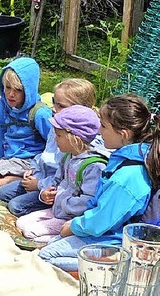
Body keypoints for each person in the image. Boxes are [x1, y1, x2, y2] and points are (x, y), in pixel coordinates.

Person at [39, 94, 160, 271]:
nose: (99, 131)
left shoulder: (128, 177)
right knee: (53, 242)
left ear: (123, 134)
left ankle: (113, 270)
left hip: (113, 241)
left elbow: (101, 221)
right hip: (107, 234)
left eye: (103, 126)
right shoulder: (133, 157)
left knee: (45, 257)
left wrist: (74, 226)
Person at [0, 78, 99, 216]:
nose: (53, 109)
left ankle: (52, 209)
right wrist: (34, 168)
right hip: (42, 177)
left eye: (61, 106)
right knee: (3, 192)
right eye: (54, 102)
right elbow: (46, 152)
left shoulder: (77, 141)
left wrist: (38, 185)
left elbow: (64, 177)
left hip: (54, 186)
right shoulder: (57, 123)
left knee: (15, 205)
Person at [15, 106, 108, 243]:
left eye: (59, 135)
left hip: (70, 218)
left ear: (75, 139)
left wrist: (62, 200)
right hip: (57, 211)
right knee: (21, 223)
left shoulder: (94, 166)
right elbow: (57, 181)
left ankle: (62, 238)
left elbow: (87, 201)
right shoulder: (68, 157)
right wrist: (45, 194)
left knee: (29, 232)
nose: (55, 140)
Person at [0, 57, 52, 190]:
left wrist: (43, 167)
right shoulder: (4, 104)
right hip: (10, 158)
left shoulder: (40, 113)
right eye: (7, 88)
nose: (11, 94)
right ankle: (9, 176)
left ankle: (26, 180)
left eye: (18, 90)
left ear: (28, 90)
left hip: (29, 160)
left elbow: (54, 142)